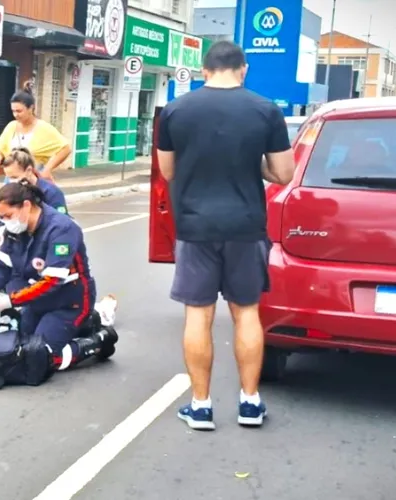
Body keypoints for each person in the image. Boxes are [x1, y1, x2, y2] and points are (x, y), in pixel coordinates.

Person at [156, 41, 295, 430]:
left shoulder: (175, 110)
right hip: (245, 226)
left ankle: (201, 406)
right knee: (246, 312)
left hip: (195, 226)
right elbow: (283, 173)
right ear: (243, 69)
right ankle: (250, 403)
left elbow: (168, 171)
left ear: (204, 71)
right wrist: (254, 165)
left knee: (198, 314)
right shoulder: (266, 110)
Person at [0, 182, 118, 371]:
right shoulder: (13, 231)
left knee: (41, 357)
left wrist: (8, 301)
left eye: (8, 216)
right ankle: (86, 324)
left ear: (26, 206)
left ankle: (97, 342)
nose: (4, 222)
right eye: (1, 217)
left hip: (70, 303)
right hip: (36, 302)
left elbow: (52, 282)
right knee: (20, 350)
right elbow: (0, 265)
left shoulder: (62, 229)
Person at [0, 80, 71, 182]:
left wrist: (47, 169)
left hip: (33, 179)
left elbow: (66, 149)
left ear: (31, 108)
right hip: (11, 179)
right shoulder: (11, 126)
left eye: (19, 111)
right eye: (13, 111)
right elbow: (0, 147)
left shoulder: (44, 128)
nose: (15, 115)